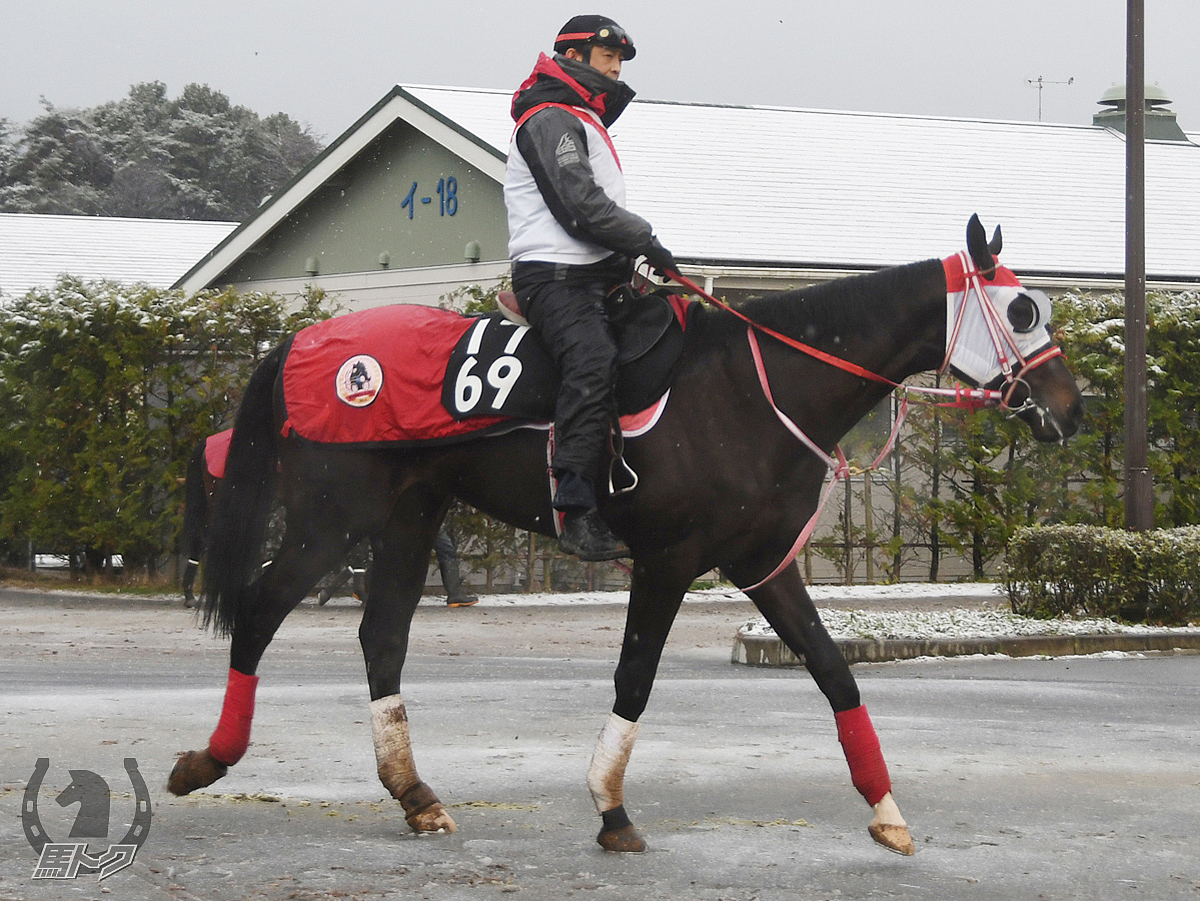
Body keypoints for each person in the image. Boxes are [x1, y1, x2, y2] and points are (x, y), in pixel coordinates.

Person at [505, 14, 677, 562]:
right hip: (554, 278)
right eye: (608, 57)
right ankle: (575, 505)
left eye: (621, 59)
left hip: (597, 275)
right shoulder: (549, 116)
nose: (617, 68)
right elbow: (581, 208)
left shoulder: (579, 115)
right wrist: (644, 238)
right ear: (573, 58)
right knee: (593, 359)